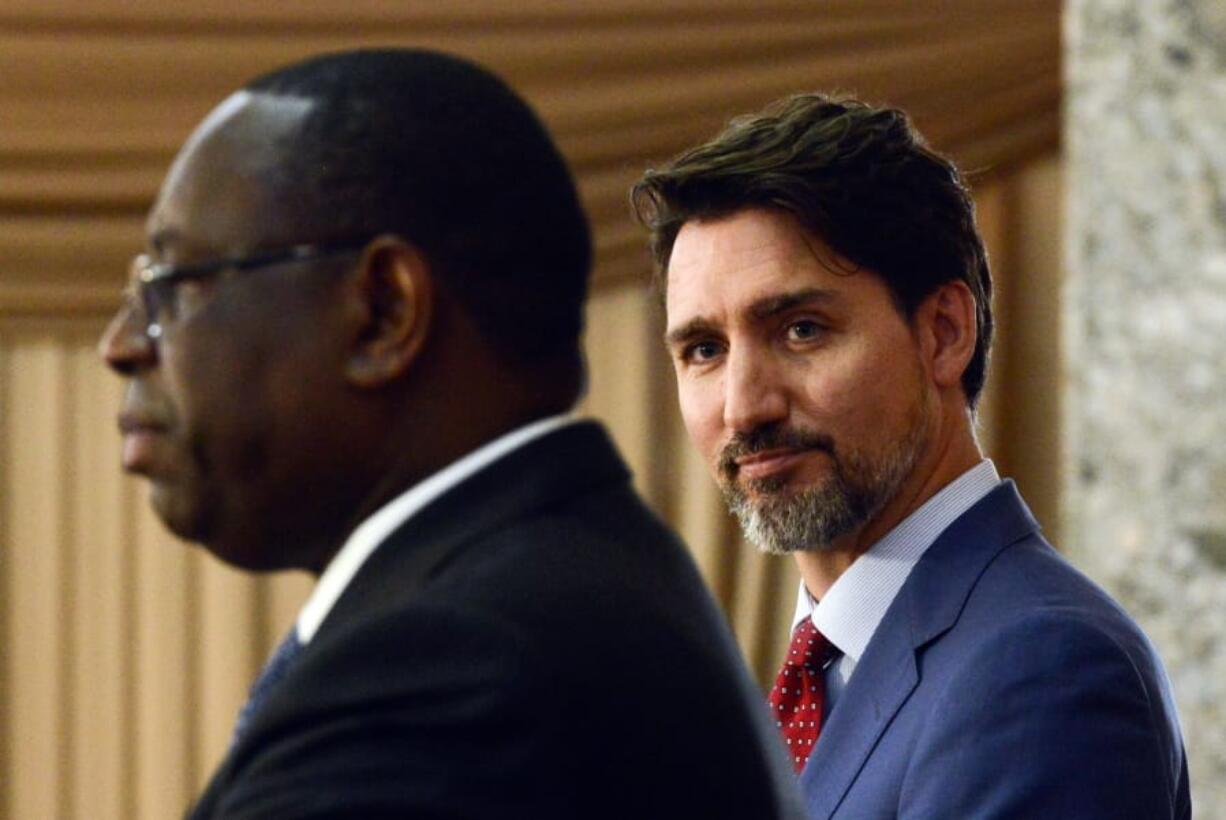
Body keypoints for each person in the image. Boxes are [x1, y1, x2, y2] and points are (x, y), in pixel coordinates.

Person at [100, 48, 803, 820]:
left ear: (382, 312)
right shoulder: (556, 578)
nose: (124, 342)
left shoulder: (453, 667)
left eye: (173, 284)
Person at [632, 93, 1191, 818]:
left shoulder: (1042, 665)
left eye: (801, 330)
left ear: (944, 333)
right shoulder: (823, 675)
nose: (743, 407)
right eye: (704, 350)